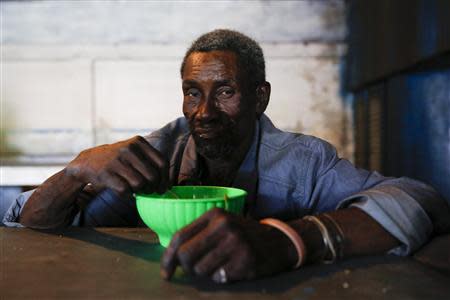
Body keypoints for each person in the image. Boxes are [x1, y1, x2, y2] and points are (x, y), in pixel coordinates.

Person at [4, 29, 450, 284]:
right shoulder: (158, 150)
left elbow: (418, 200)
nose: (204, 112)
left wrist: (290, 240)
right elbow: (32, 225)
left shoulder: (302, 161)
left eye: (225, 92)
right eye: (192, 93)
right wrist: (76, 170)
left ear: (260, 98)